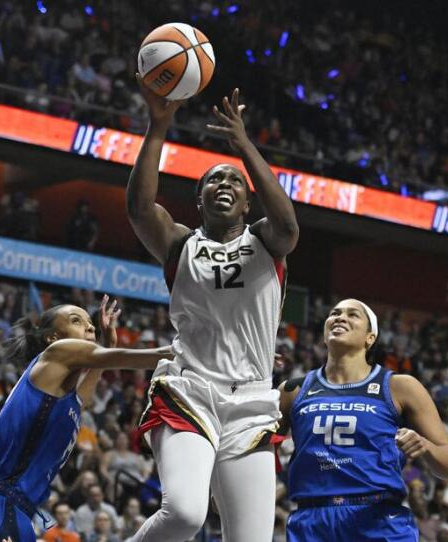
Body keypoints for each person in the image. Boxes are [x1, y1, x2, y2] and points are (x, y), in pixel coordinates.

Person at [125, 78, 299, 542]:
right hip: (191, 390)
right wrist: (157, 126)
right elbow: (140, 209)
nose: (224, 184)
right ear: (199, 199)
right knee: (184, 513)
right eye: (212, 180)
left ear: (247, 201)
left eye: (234, 181)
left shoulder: (266, 241)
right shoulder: (180, 243)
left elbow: (288, 222)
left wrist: (244, 146)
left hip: (252, 404)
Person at [0, 295, 172, 542]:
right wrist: (182, 353)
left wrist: (106, 345)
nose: (91, 326)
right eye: (76, 320)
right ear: (52, 337)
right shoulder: (56, 352)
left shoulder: (61, 396)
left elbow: (82, 397)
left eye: (90, 322)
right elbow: (129, 358)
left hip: (16, 511)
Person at [278, 299, 448, 541]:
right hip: (311, 520)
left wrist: (425, 447)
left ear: (370, 337)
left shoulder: (400, 386)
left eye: (353, 315)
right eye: (335, 313)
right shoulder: (292, 390)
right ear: (324, 334)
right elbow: (262, 451)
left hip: (378, 519)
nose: (341, 317)